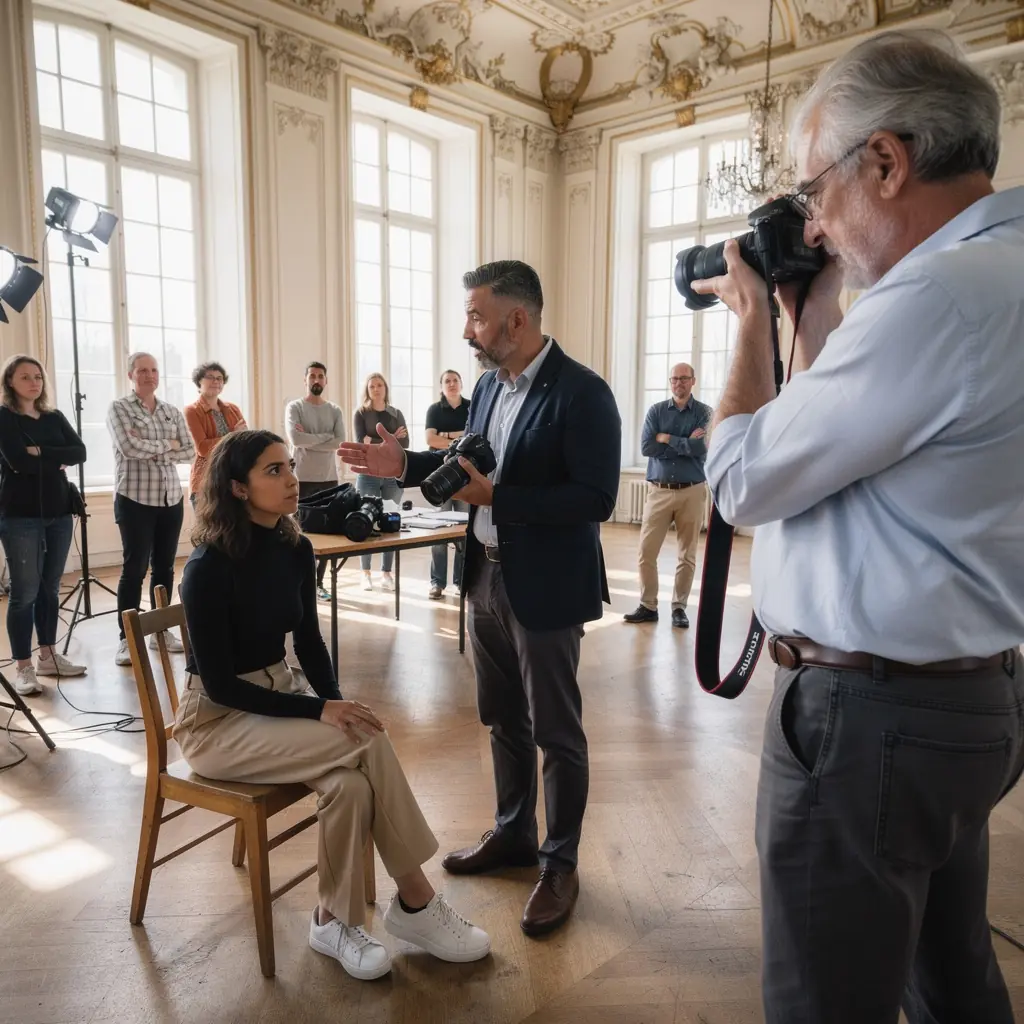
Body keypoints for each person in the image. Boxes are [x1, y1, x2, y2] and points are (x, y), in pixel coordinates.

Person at [694, 30, 1024, 1024]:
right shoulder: (1002, 276)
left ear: (885, 161)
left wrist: (753, 323)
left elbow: (745, 479)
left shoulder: (936, 296)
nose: (816, 225)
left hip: (869, 719)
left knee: (822, 998)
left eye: (815, 193)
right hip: (969, 696)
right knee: (949, 972)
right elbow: (875, 458)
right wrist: (813, 316)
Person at [340, 261, 621, 937]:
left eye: (476, 315)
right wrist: (401, 468)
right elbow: (472, 459)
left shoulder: (584, 394)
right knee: (502, 718)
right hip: (485, 576)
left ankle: (559, 864)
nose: (468, 329)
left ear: (515, 320)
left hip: (546, 583)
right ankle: (514, 833)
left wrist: (502, 500)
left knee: (556, 730)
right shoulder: (491, 387)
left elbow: (596, 498)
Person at [177, 430, 490, 979]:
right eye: (273, 471)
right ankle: (416, 899)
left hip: (279, 696)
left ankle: (330, 920)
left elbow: (310, 644)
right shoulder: (207, 567)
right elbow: (222, 686)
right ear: (237, 488)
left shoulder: (294, 548)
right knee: (368, 740)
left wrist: (335, 702)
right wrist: (320, 712)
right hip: (217, 724)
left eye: (289, 466)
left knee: (348, 783)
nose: (292, 479)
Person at [0, 355, 87, 694]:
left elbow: (79, 452)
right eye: (25, 377)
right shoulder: (5, 418)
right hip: (19, 516)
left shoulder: (54, 416)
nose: (34, 382)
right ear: (10, 382)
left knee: (51, 587)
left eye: (38, 376)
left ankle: (48, 656)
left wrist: (38, 452)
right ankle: (23, 666)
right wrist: (54, 457)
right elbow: (16, 461)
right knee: (25, 593)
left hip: (59, 512)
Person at [107, 352, 195, 667]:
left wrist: (152, 446)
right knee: (134, 570)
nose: (149, 375)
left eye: (154, 370)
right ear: (131, 374)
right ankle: (126, 639)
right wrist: (167, 445)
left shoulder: (171, 411)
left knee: (165, 568)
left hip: (170, 499)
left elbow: (190, 450)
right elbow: (127, 448)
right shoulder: (119, 408)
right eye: (142, 370)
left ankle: (161, 630)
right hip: (134, 500)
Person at [624, 362, 711, 629]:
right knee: (646, 552)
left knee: (687, 554)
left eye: (684, 378)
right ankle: (648, 605)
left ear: (693, 381)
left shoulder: (705, 413)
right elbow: (647, 447)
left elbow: (700, 448)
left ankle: (679, 608)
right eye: (674, 378)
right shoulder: (656, 411)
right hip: (659, 490)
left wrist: (667, 438)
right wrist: (682, 442)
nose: (678, 383)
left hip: (693, 491)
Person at [285, 362, 347, 601]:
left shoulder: (334, 410)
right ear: (305, 380)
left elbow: (339, 442)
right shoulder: (295, 407)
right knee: (299, 534)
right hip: (301, 478)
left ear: (326, 381)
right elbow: (296, 438)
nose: (317, 380)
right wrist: (326, 437)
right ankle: (297, 584)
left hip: (329, 478)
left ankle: (318, 583)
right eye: (312, 376)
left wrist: (313, 439)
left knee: (327, 535)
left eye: (321, 376)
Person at [351, 373, 407, 593]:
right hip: (368, 473)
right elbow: (360, 442)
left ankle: (386, 572)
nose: (376, 388)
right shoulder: (361, 413)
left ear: (385, 388)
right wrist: (391, 438)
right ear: (367, 389)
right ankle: (365, 573)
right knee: (366, 521)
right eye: (372, 385)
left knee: (390, 523)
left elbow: (406, 442)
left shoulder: (396, 413)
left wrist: (374, 440)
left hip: (392, 474)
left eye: (380, 384)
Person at [424, 369, 470, 600]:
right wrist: (459, 437)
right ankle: (437, 583)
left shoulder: (471, 406)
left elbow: (475, 436)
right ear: (441, 386)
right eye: (447, 381)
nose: (451, 384)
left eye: (455, 380)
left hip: (464, 476)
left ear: (461, 383)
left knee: (464, 531)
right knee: (439, 531)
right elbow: (430, 440)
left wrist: (447, 435)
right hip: (439, 476)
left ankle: (461, 582)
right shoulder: (434, 409)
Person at [184, 361, 246, 508]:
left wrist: (237, 436)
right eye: (210, 377)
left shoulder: (233, 409)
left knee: (235, 530)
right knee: (209, 531)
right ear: (199, 381)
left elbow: (244, 441)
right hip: (205, 484)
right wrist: (232, 435)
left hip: (233, 481)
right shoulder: (191, 411)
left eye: (219, 378)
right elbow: (203, 449)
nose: (216, 381)